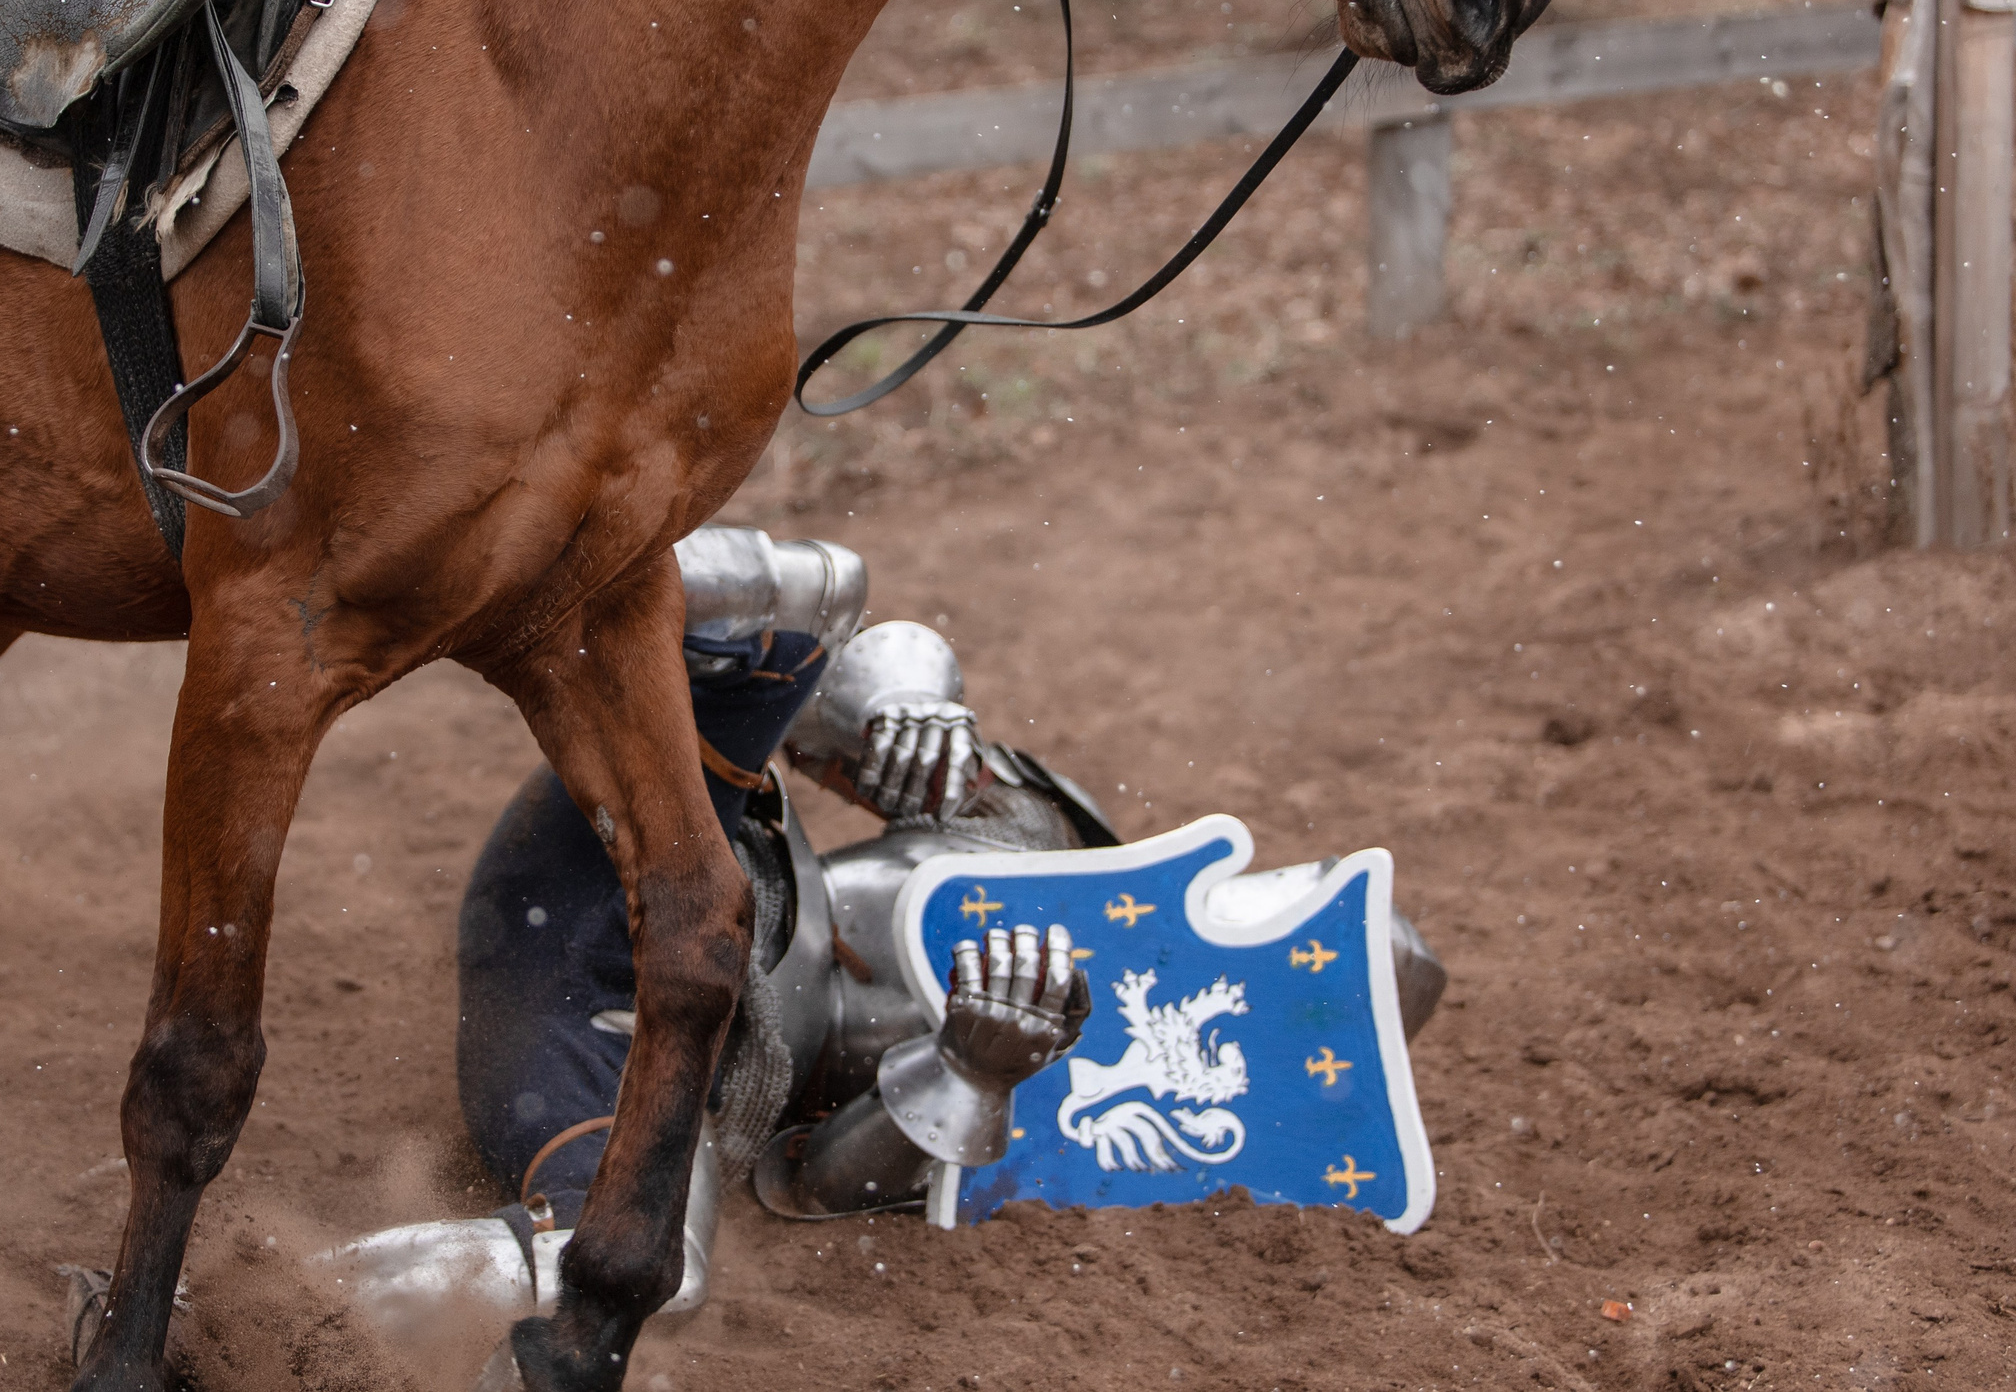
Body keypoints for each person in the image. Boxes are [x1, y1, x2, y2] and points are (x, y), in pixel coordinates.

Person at [316, 523, 1446, 1336]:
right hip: (645, 856)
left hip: (628, 1071)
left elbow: (808, 1181)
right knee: (815, 592)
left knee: (650, 1270)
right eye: (1307, 908)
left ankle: (270, 1298)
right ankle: (438, 548)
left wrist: (972, 1068)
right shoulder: (1039, 835)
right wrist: (907, 704)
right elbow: (851, 680)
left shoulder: (1096, 1116)